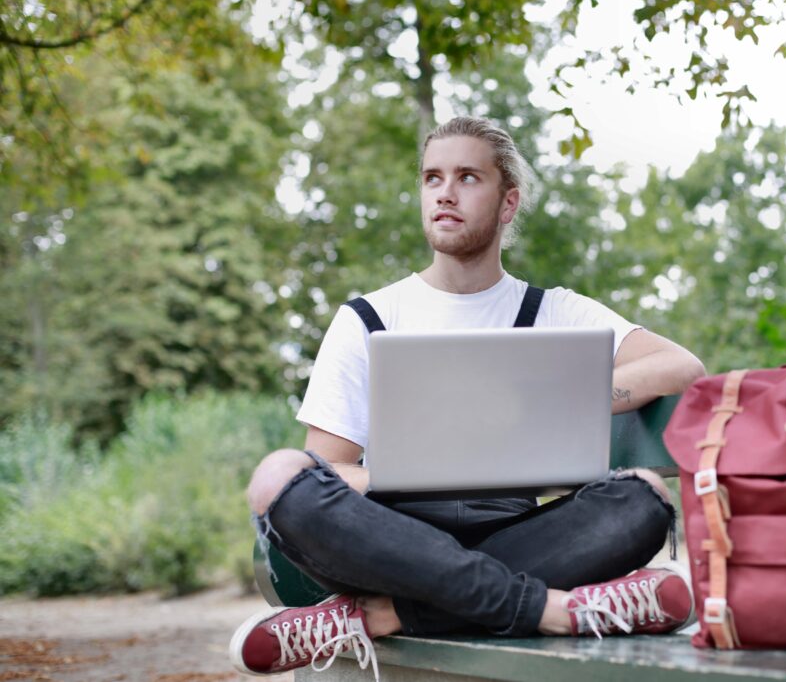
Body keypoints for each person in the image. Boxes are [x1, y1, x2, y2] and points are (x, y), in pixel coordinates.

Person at [229, 117, 707, 678]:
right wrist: (405, 473)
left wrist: (558, 397)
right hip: (389, 542)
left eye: (467, 177)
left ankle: (384, 617)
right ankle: (550, 611)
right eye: (432, 178)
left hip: (518, 535)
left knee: (643, 498)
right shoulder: (368, 318)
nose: (445, 193)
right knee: (280, 474)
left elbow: (683, 367)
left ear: (508, 204)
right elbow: (331, 470)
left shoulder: (553, 311)